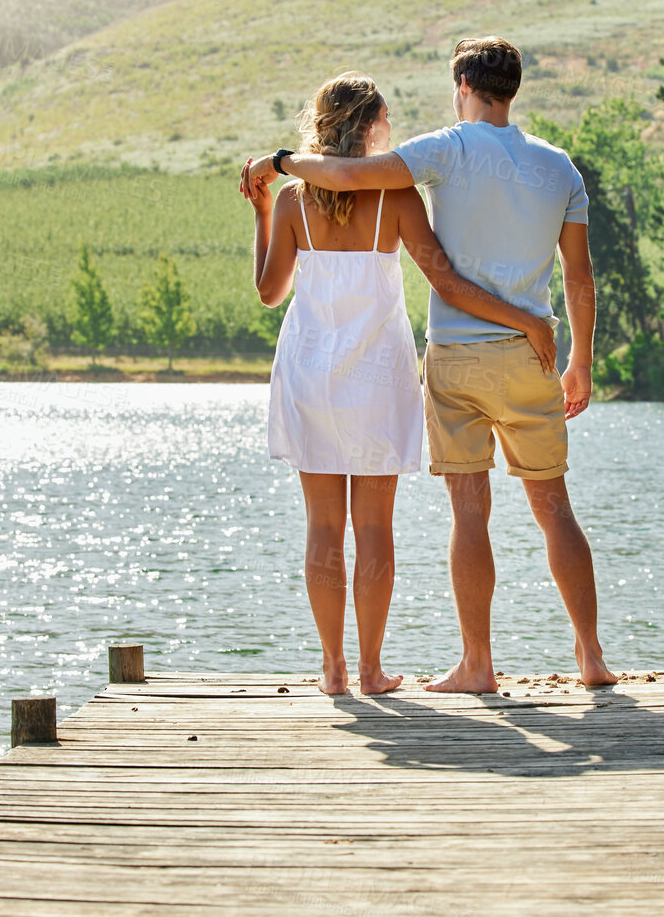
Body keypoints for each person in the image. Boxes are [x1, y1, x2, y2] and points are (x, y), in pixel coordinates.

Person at [242, 38, 617, 692]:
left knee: (366, 521)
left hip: (366, 367)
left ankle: (377, 666)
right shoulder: (526, 173)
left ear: (465, 83)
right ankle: (577, 656)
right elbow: (532, 277)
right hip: (448, 367)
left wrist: (270, 183)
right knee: (519, 511)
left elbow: (280, 278)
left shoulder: (321, 192)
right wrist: (556, 338)